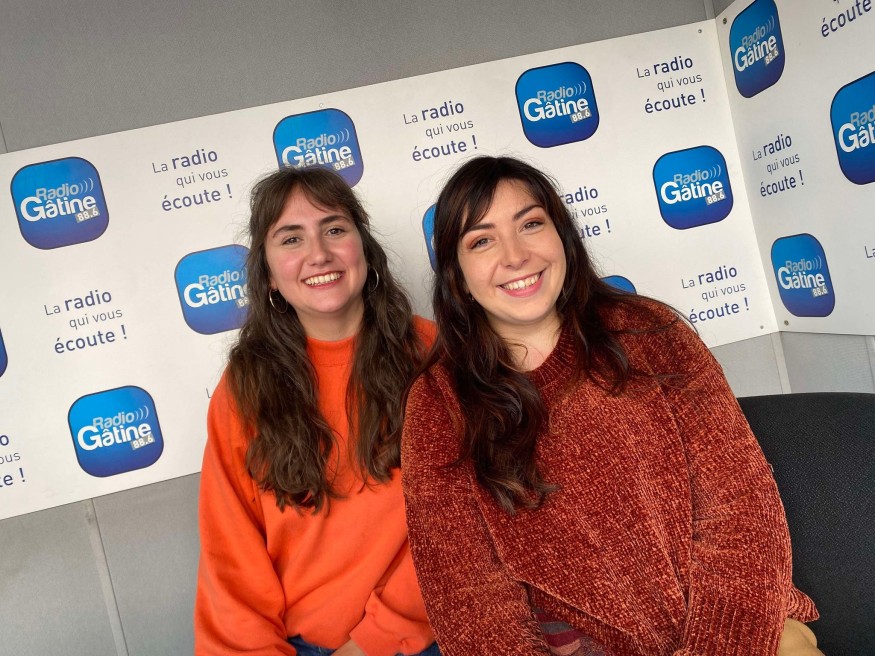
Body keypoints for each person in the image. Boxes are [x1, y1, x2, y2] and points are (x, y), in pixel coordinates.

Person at [401, 156, 821, 656]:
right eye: (482, 241)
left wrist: (720, 645)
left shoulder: (652, 334)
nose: (515, 256)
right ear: (457, 275)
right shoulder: (437, 402)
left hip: (742, 628)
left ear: (562, 236)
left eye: (530, 224)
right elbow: (468, 600)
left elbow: (741, 507)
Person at [195, 166, 438, 656]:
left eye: (334, 229)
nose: (319, 253)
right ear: (267, 275)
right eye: (291, 238)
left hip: (422, 637)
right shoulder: (243, 388)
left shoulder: (430, 355)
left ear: (364, 249)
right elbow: (230, 557)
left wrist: (372, 642)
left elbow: (462, 525)